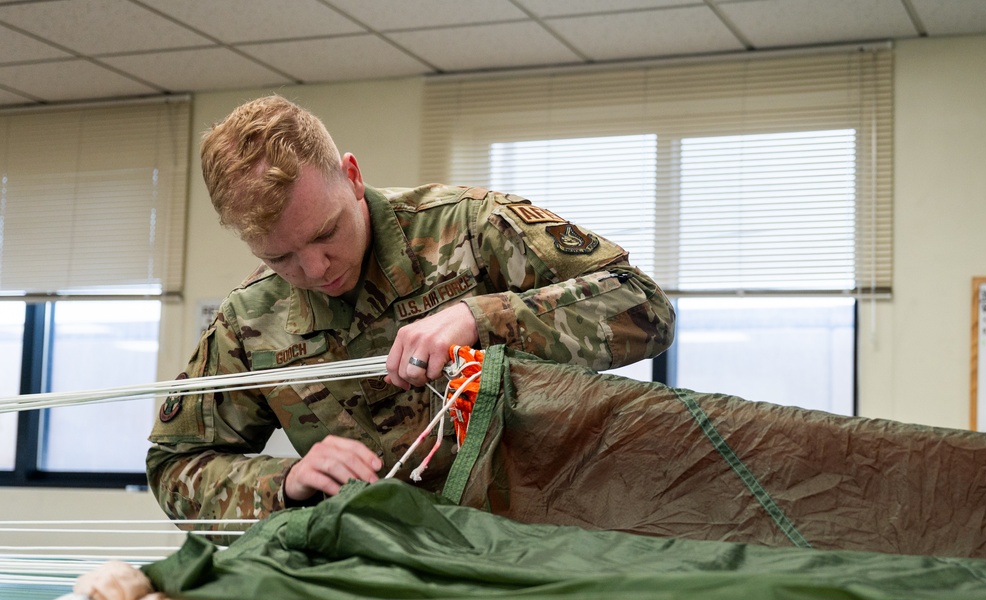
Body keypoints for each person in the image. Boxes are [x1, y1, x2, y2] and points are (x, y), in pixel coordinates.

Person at [146, 95, 675, 525]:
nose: (316, 268)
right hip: (380, 572)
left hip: (537, 541)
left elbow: (645, 306)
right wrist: (284, 481)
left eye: (327, 232)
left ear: (351, 176)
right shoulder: (249, 322)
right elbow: (174, 467)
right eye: (279, 256)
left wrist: (482, 318)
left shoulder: (470, 228)